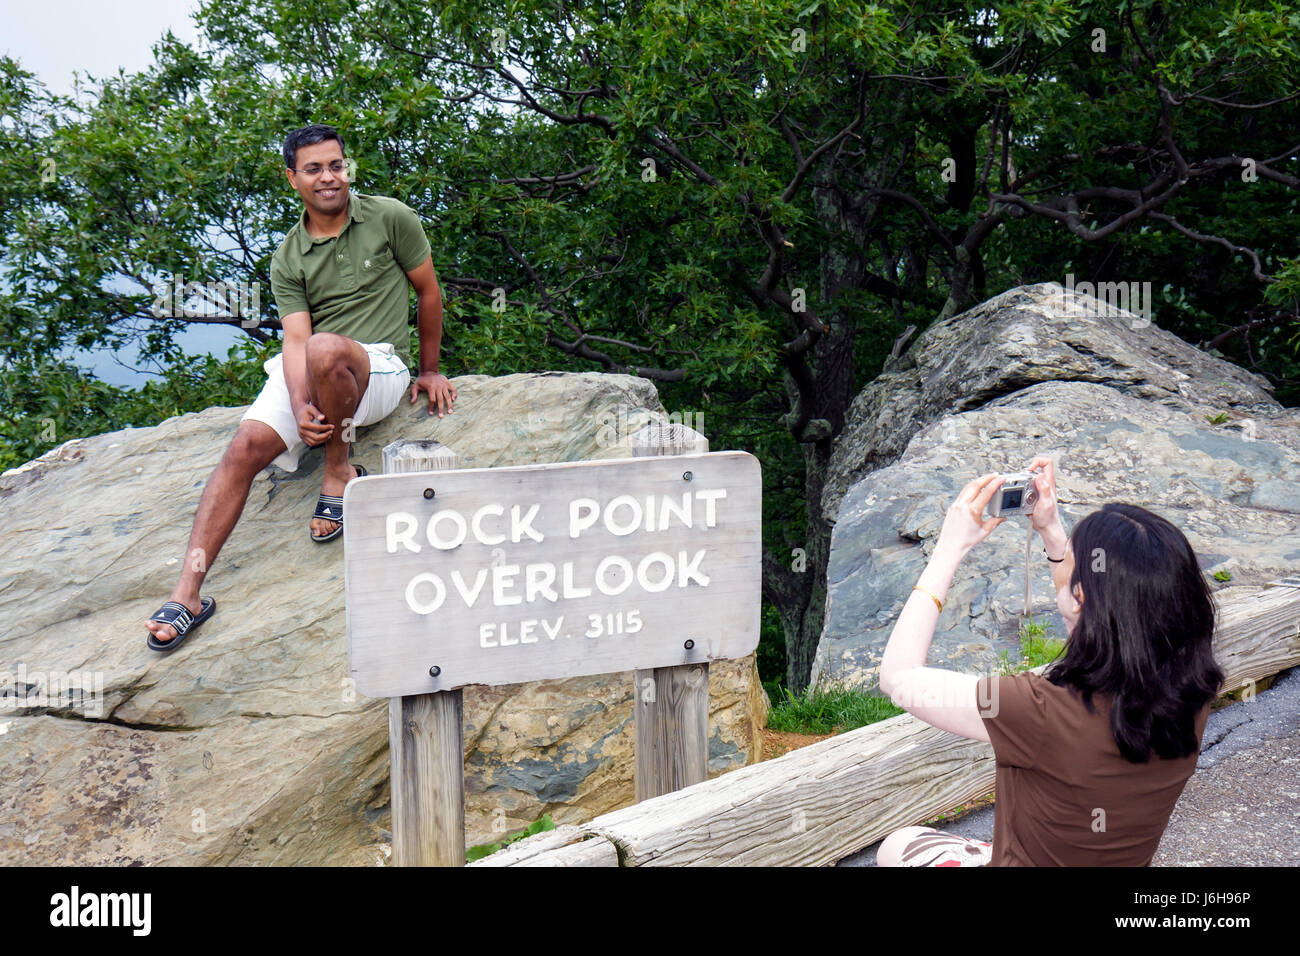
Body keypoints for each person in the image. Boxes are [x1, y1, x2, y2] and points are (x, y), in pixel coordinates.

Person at [144, 124, 458, 651]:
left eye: (336, 165)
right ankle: (188, 594)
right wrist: (298, 401)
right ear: (292, 178)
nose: (329, 177)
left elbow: (428, 291)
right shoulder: (288, 256)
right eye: (313, 169)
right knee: (244, 448)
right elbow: (294, 341)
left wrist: (429, 368)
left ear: (347, 167)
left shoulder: (390, 217)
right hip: (313, 366)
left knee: (325, 349)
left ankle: (338, 471)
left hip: (377, 367)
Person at [875, 456, 1224, 866]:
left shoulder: (1036, 709)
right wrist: (1051, 529)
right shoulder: (1191, 694)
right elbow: (1093, 618)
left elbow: (898, 677)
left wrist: (950, 548)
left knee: (899, 845)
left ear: (1081, 597)